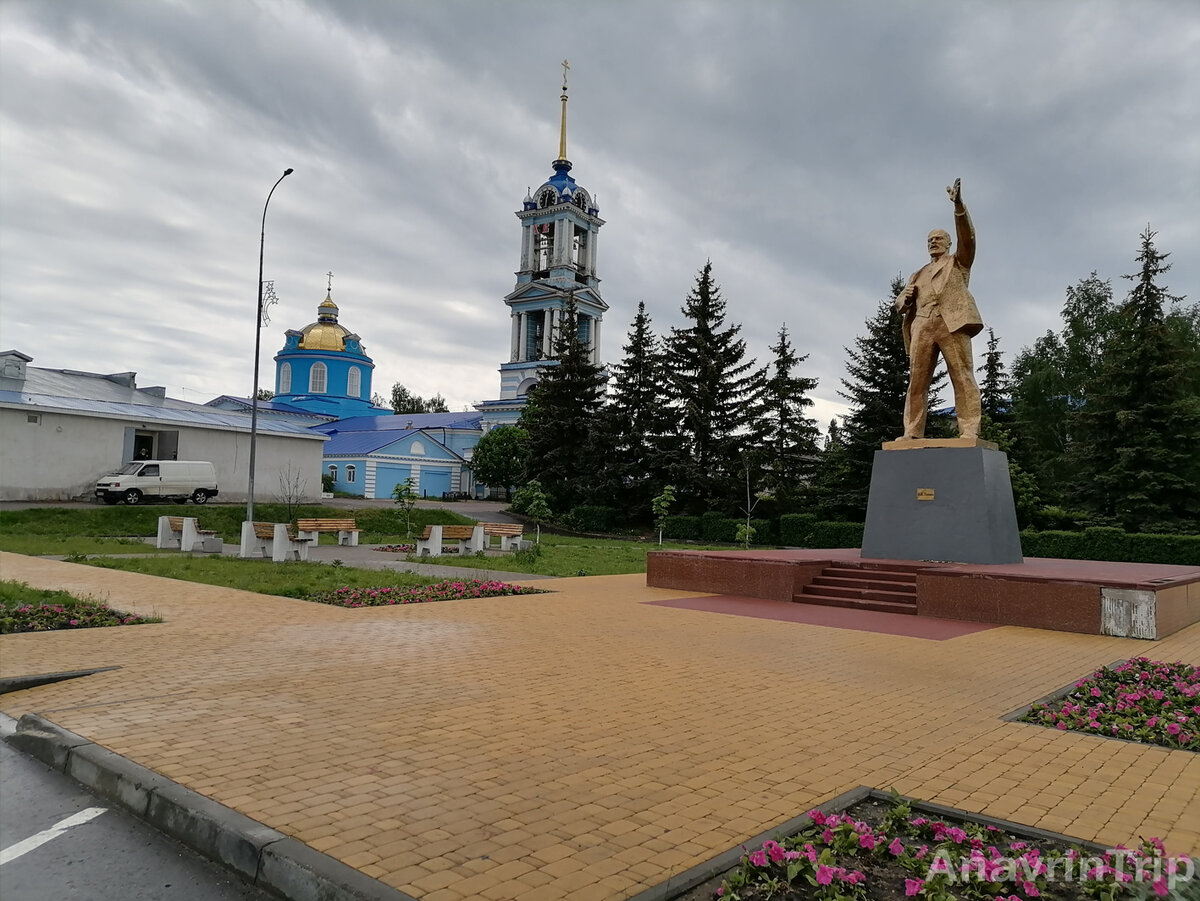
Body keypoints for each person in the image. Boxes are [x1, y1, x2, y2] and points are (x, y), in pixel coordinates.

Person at [893, 178, 983, 440]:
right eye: (930, 239)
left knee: (962, 377)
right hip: (922, 325)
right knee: (917, 382)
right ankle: (912, 432)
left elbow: (969, 238)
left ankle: (969, 430)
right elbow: (900, 304)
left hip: (950, 322)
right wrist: (905, 298)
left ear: (949, 243)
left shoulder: (959, 263)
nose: (933, 242)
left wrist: (958, 206)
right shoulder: (917, 273)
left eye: (939, 239)